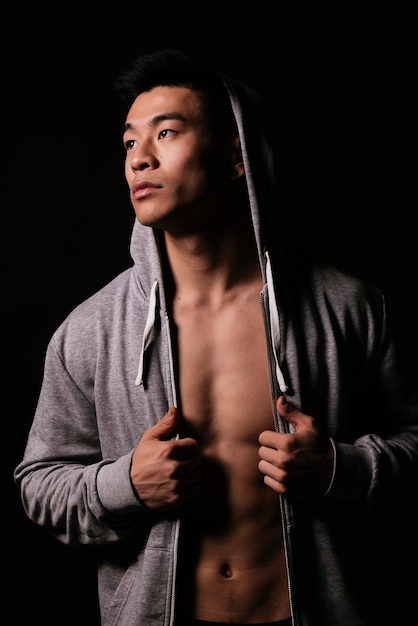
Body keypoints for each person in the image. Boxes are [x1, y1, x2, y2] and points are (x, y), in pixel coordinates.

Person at [14, 48, 418, 626]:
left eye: (167, 133)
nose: (139, 159)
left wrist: (339, 469)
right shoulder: (91, 330)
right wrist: (124, 484)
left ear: (235, 156)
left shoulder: (349, 308)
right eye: (129, 143)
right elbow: (40, 484)